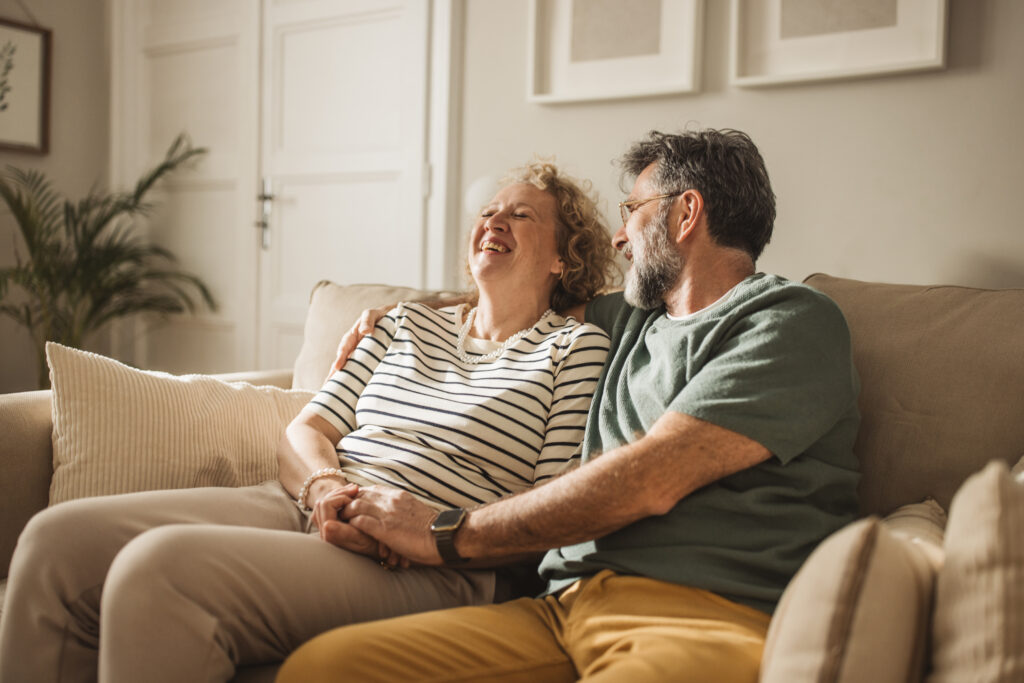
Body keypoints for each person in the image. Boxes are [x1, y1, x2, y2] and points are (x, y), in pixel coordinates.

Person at [275, 129, 862, 683]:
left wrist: (447, 531)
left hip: (700, 611)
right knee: (324, 667)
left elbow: (653, 478)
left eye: (633, 210)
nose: (618, 237)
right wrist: (393, 318)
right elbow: (515, 291)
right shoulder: (630, 319)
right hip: (559, 609)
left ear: (686, 213)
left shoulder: (787, 319)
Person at [0, 161, 616, 683]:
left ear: (564, 257)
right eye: (489, 210)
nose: (493, 221)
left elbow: (548, 501)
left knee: (160, 571)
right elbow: (309, 429)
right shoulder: (404, 322)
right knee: (55, 542)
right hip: (315, 501)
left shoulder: (574, 349)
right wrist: (325, 489)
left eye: (522, 215)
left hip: (432, 559)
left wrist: (431, 528)